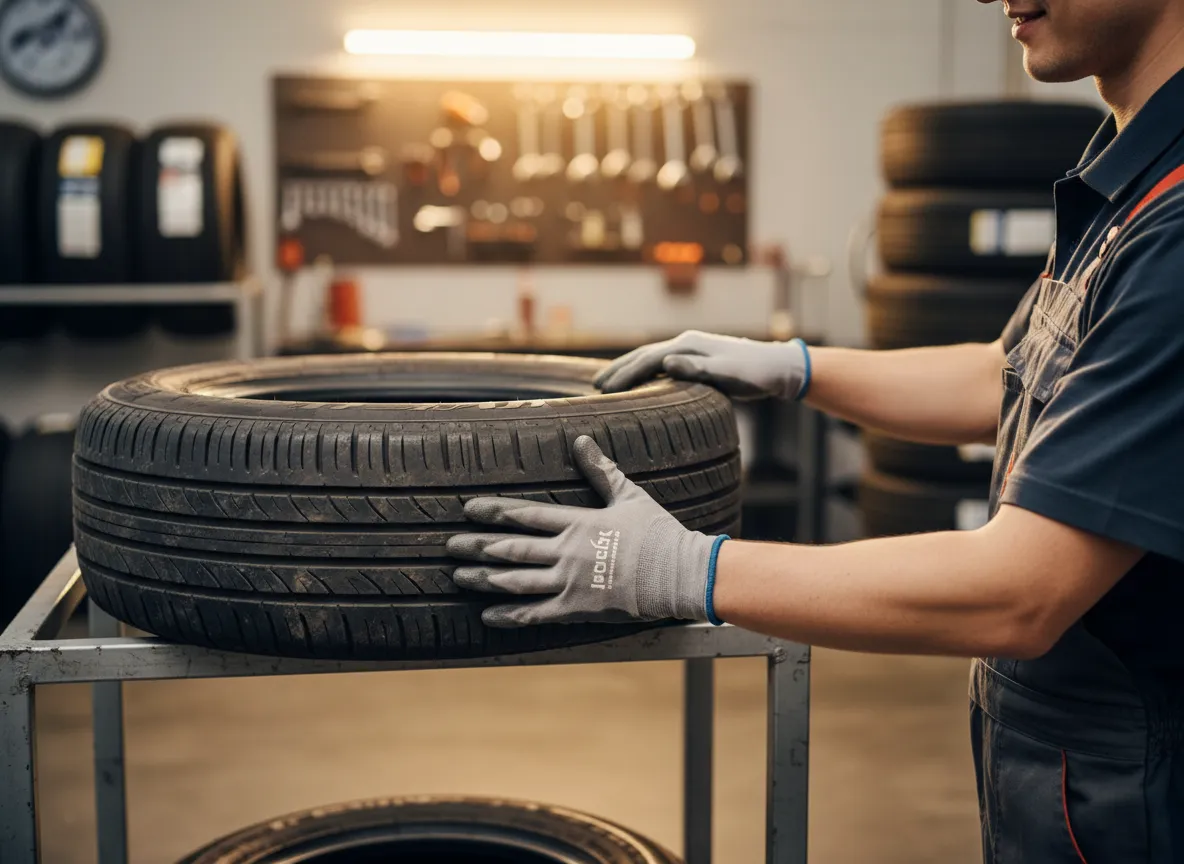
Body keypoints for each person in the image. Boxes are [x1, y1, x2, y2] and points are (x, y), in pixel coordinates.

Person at [448, 0, 1184, 859]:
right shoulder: (1127, 173)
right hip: (1063, 749)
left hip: (1137, 777)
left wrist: (680, 568)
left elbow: (1019, 592)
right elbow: (1006, 373)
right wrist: (796, 366)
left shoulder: (1174, 233)